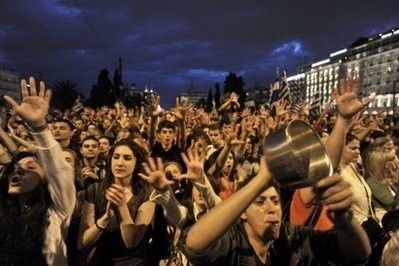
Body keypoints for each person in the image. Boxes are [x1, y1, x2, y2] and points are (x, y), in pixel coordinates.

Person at [179, 156, 371, 265]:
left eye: (275, 201)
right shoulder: (232, 240)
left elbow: (358, 254)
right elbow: (194, 243)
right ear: (243, 213)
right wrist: (261, 180)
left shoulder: (290, 237)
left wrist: (345, 219)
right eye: (260, 202)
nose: (271, 208)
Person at [0, 77, 76, 265]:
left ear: (45, 179)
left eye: (31, 167)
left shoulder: (57, 211)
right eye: (15, 169)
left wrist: (39, 128)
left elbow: (59, 171)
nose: (18, 171)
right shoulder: (4, 213)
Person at [78, 139, 155, 265]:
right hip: (101, 261)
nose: (120, 163)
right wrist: (104, 219)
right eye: (116, 157)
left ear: (136, 162)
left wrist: (122, 206)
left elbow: (131, 242)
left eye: (127, 158)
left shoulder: (147, 193)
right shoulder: (95, 190)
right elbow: (82, 243)